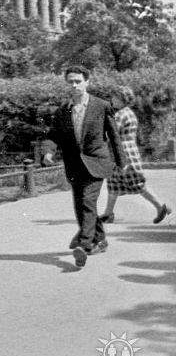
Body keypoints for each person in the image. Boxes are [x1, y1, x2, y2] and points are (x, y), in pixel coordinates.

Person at [42, 65, 125, 268]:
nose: (74, 85)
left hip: (96, 162)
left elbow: (114, 135)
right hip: (74, 165)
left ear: (87, 82)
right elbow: (53, 135)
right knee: (80, 205)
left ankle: (84, 245)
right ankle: (100, 240)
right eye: (70, 81)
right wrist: (48, 152)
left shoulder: (101, 106)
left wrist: (121, 162)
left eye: (78, 81)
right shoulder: (62, 111)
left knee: (88, 201)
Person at [99, 86, 172, 224]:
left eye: (114, 97)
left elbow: (111, 133)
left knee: (136, 183)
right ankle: (108, 213)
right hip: (125, 151)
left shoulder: (120, 115)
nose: (112, 99)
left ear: (121, 99)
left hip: (123, 153)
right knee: (113, 183)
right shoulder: (128, 112)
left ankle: (160, 206)